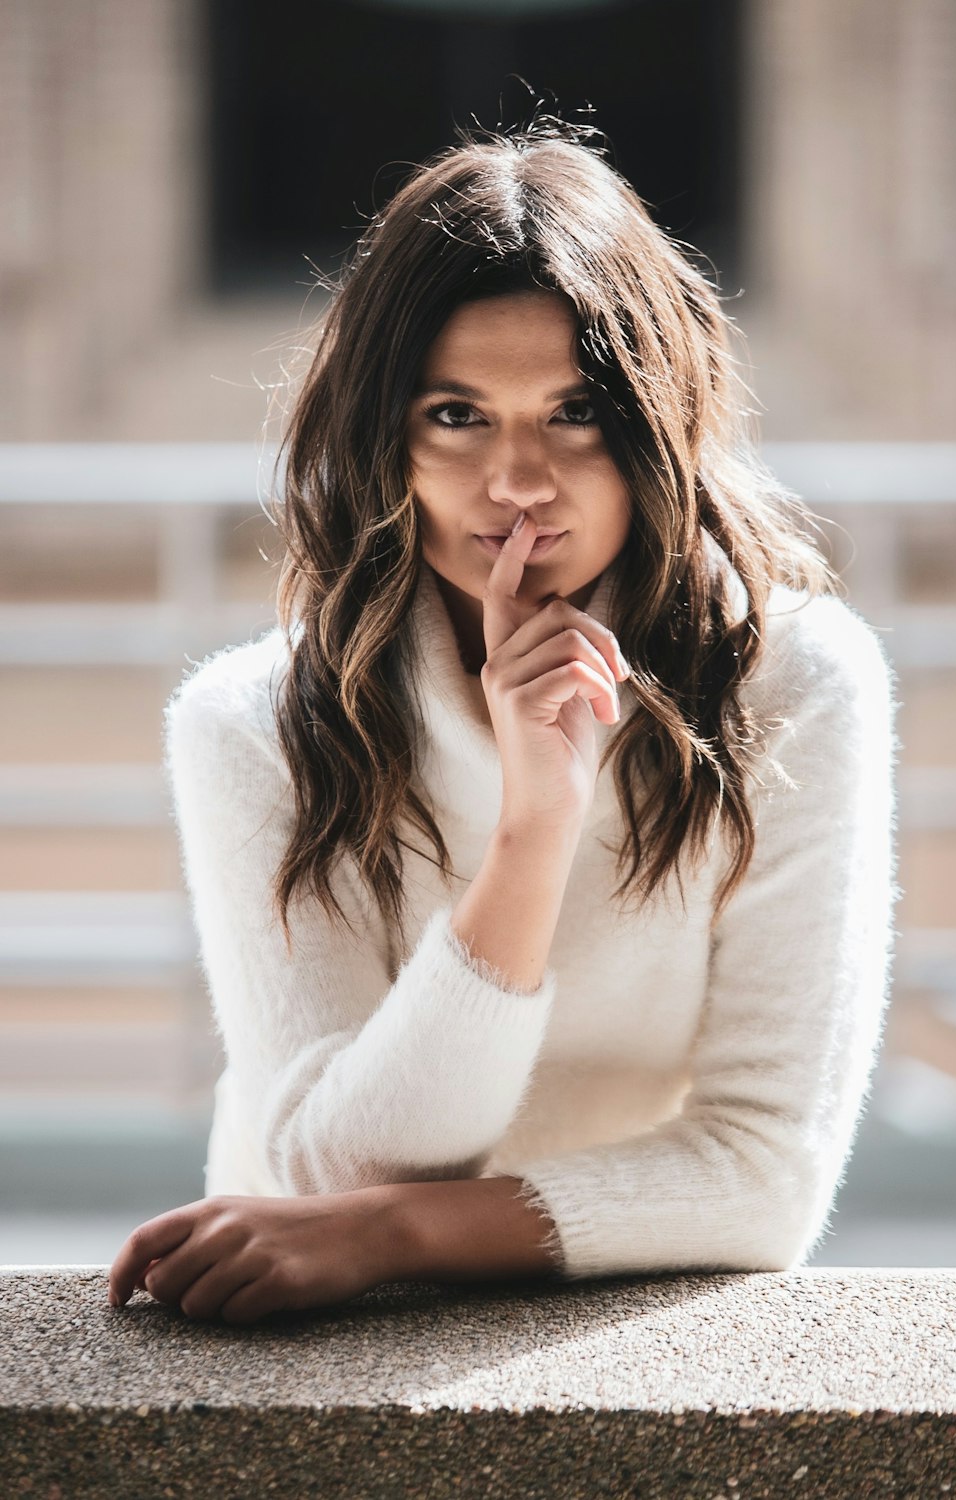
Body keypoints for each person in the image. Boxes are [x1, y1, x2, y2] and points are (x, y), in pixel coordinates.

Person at [108, 119, 897, 1324]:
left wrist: (398, 1233)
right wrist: (534, 835)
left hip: (624, 1325)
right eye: (456, 416)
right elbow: (329, 1173)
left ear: (654, 427)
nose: (518, 480)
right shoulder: (250, 723)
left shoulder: (791, 684)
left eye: (575, 411)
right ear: (387, 441)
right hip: (310, 1345)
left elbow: (761, 1178)